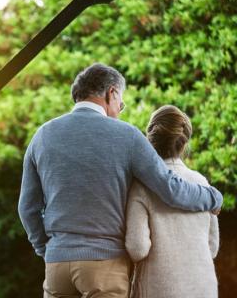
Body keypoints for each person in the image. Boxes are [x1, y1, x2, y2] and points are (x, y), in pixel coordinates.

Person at [17, 63, 223, 298]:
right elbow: (169, 188)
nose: (118, 111)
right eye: (120, 104)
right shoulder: (127, 135)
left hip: (57, 265)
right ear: (111, 93)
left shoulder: (42, 135)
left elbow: (27, 208)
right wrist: (212, 196)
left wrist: (48, 249)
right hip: (105, 264)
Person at [125, 105, 219, 298]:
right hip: (204, 287)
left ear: (150, 140)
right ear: (184, 143)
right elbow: (213, 246)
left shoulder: (141, 185)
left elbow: (138, 248)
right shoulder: (202, 183)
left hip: (159, 288)